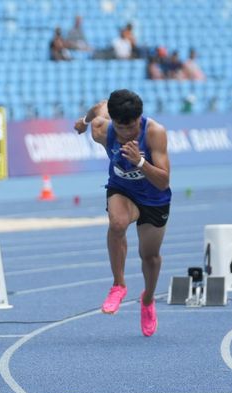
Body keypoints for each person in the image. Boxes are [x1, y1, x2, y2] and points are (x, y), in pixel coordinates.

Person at [74, 89, 171, 337]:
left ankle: (148, 300)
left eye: (132, 127)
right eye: (121, 127)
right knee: (117, 224)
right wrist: (83, 123)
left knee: (149, 257)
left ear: (140, 117)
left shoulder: (154, 133)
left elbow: (163, 181)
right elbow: (98, 107)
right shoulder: (101, 129)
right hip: (123, 189)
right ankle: (118, 284)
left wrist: (140, 161)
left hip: (154, 197)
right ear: (113, 121)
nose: (127, 132)